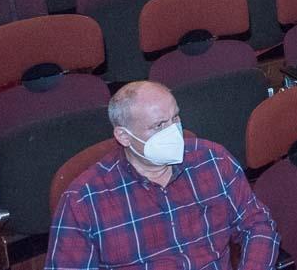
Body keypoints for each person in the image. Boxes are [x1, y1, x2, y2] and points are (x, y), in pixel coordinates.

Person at [46, 81, 279, 270]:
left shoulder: (212, 160)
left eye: (175, 118)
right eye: (159, 125)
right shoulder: (83, 200)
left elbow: (258, 225)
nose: (172, 132)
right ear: (124, 137)